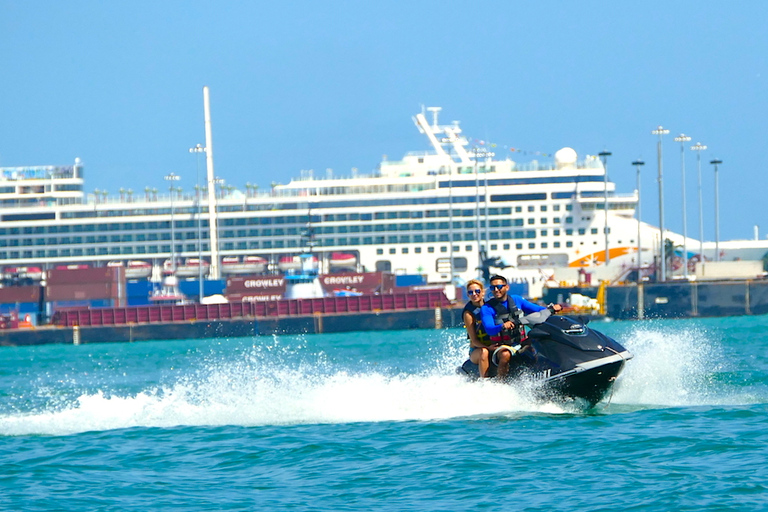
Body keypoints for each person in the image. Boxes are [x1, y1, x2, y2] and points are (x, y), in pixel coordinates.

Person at [480, 274, 562, 379]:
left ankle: (550, 372)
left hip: (522, 342)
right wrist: (502, 326)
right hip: (501, 345)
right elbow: (489, 329)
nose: (496, 290)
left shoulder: (516, 300)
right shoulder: (487, 308)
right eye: (493, 288)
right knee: (505, 355)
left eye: (499, 287)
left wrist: (551, 308)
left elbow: (537, 310)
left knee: (542, 343)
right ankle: (501, 383)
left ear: (506, 287)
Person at [463, 279, 493, 378]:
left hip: (493, 344)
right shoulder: (469, 314)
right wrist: (488, 348)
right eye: (470, 292)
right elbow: (474, 340)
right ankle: (485, 382)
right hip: (477, 350)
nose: (474, 294)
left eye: (477, 291)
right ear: (467, 295)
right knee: (484, 352)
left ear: (483, 292)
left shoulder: (490, 307)